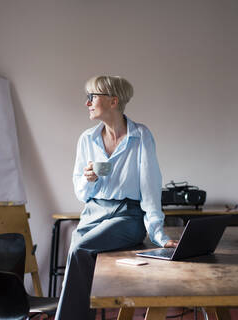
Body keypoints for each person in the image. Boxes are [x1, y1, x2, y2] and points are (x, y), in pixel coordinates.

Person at [55, 75, 178, 320]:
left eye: (92, 97)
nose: (87, 103)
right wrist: (88, 179)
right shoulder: (86, 139)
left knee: (79, 249)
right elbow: (81, 193)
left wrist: (157, 234)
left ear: (113, 101)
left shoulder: (141, 136)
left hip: (127, 216)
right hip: (93, 213)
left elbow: (150, 187)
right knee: (76, 254)